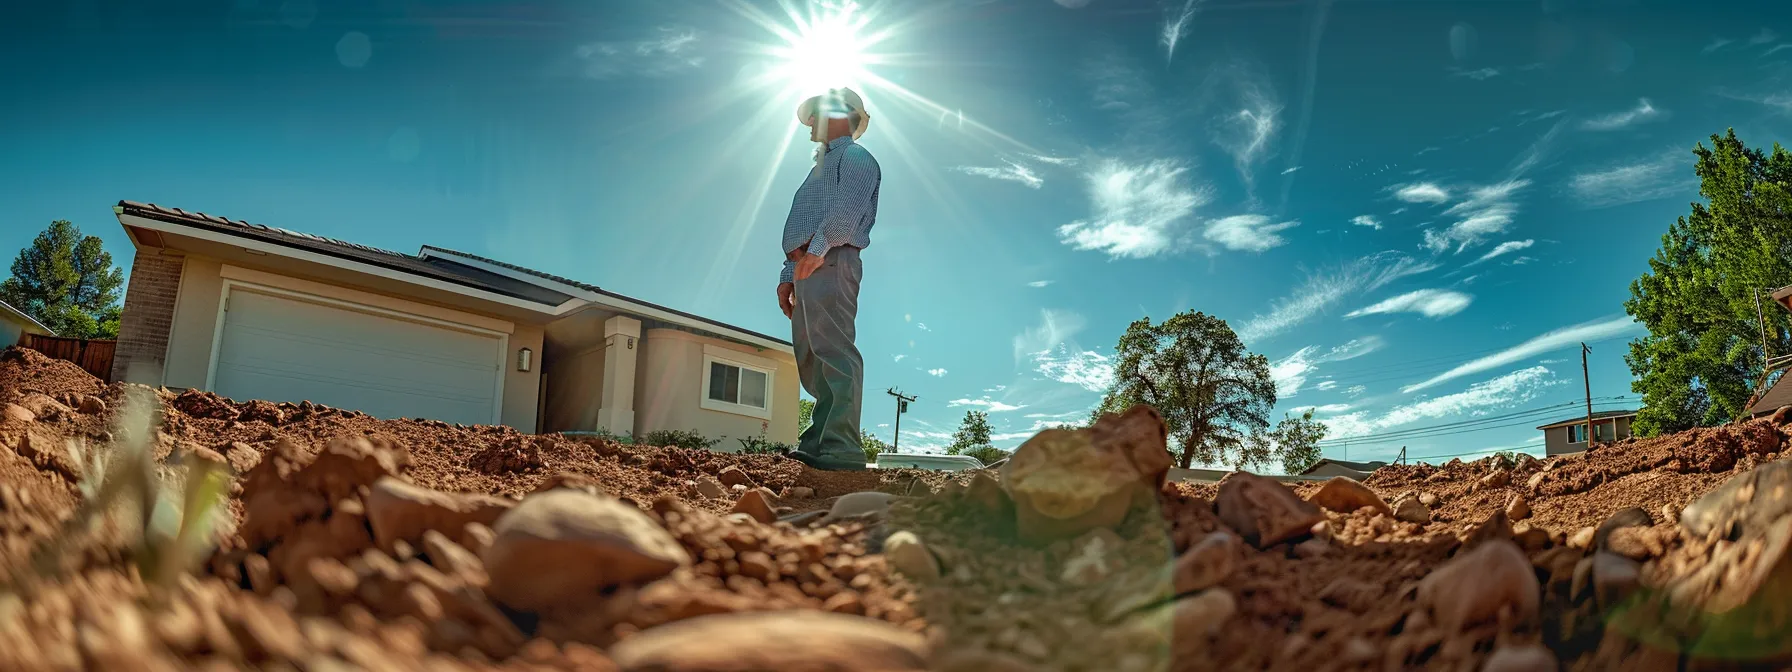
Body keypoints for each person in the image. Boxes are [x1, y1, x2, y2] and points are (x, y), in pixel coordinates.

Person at [778, 87, 881, 471]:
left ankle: (841, 447)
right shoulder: (820, 168)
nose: (808, 126)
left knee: (834, 349)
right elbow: (802, 228)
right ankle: (819, 441)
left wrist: (818, 251)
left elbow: (847, 210)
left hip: (831, 259)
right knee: (812, 355)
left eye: (814, 117)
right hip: (813, 263)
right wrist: (788, 274)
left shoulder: (855, 157)